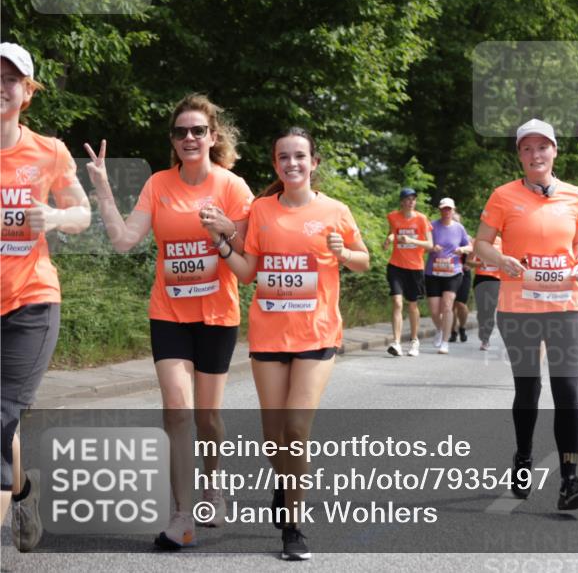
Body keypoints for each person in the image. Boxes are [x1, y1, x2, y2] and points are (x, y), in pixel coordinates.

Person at [85, 93, 252, 549]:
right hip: (169, 312)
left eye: (198, 130)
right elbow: (123, 240)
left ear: (212, 137)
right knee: (176, 409)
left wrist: (227, 229)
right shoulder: (159, 184)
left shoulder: (232, 186)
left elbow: (251, 253)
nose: (189, 138)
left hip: (217, 314)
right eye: (181, 132)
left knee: (207, 417)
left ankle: (213, 486)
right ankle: (182, 514)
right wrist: (103, 187)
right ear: (173, 141)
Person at [216, 127, 369, 560]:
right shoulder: (262, 210)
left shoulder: (335, 210)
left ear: (313, 163)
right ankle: (287, 484)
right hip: (269, 333)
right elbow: (248, 271)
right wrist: (222, 246)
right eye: (284, 157)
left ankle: (294, 526)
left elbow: (363, 260)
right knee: (272, 436)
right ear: (276, 164)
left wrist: (343, 253)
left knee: (296, 429)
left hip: (317, 332)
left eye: (300, 156)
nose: (292, 163)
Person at [474, 118, 578, 511]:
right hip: (519, 308)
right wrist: (499, 259)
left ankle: (569, 481)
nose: (535, 154)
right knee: (528, 390)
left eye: (542, 147)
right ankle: (523, 456)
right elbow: (481, 243)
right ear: (520, 155)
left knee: (567, 392)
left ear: (554, 151)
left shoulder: (575, 195)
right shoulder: (503, 196)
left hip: (565, 307)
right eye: (527, 148)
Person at [1, 43, 90, 553]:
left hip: (30, 301)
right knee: (3, 421)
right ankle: (24, 492)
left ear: (27, 92)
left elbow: (82, 214)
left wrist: (55, 217)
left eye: (10, 79)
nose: (0, 86)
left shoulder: (48, 151)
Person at [383, 188, 433, 356]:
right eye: (407, 199)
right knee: (397, 302)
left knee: (412, 305)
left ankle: (414, 340)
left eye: (413, 199)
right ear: (402, 202)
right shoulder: (393, 217)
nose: (411, 202)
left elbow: (430, 245)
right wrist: (388, 240)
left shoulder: (422, 219)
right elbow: (392, 233)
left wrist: (411, 240)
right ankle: (396, 343)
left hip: (415, 268)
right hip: (396, 266)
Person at [425, 198, 472, 355]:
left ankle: (445, 342)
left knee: (447, 305)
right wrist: (432, 248)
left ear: (453, 210)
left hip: (453, 271)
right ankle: (440, 329)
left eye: (449, 209)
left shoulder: (459, 228)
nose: (446, 211)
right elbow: (424, 246)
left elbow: (470, 246)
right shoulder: (432, 226)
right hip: (433, 272)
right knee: (434, 310)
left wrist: (462, 249)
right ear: (440, 210)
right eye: (444, 209)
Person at [472, 233, 503, 351]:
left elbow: (506, 261)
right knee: (481, 311)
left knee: (490, 309)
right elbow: (469, 261)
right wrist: (479, 263)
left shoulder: (502, 243)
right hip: (480, 278)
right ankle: (482, 330)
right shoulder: (478, 241)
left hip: (495, 279)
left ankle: (486, 339)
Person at [449, 212, 473, 345]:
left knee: (461, 304)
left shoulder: (466, 237)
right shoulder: (445, 236)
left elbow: (474, 250)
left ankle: (462, 327)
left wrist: (468, 263)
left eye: (456, 220)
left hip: (463, 273)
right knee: (451, 304)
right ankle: (452, 331)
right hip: (449, 272)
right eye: (452, 220)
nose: (454, 222)